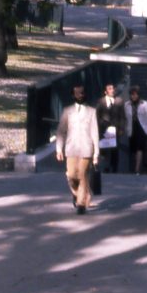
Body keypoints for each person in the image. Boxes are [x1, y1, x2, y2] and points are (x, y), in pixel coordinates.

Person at [54, 84, 99, 214]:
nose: (81, 95)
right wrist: (58, 149)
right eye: (78, 93)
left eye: (82, 92)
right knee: (72, 175)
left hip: (86, 148)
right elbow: (61, 131)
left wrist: (96, 152)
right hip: (71, 148)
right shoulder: (67, 111)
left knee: (82, 174)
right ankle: (77, 192)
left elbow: (94, 132)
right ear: (73, 95)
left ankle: (81, 204)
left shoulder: (92, 111)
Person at [95, 83, 126, 173]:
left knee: (115, 149)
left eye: (113, 88)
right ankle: (106, 166)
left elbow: (122, 116)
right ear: (105, 92)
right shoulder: (101, 102)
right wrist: (100, 125)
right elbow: (97, 116)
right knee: (104, 149)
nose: (112, 90)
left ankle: (114, 167)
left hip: (115, 130)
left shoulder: (119, 101)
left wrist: (121, 129)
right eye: (109, 89)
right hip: (104, 130)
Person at [124, 86, 147, 175]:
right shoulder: (127, 105)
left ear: (138, 95)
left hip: (141, 128)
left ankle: (137, 169)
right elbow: (126, 118)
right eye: (132, 95)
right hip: (132, 128)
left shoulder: (144, 104)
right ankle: (135, 166)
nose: (134, 97)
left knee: (139, 148)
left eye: (135, 95)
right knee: (133, 149)